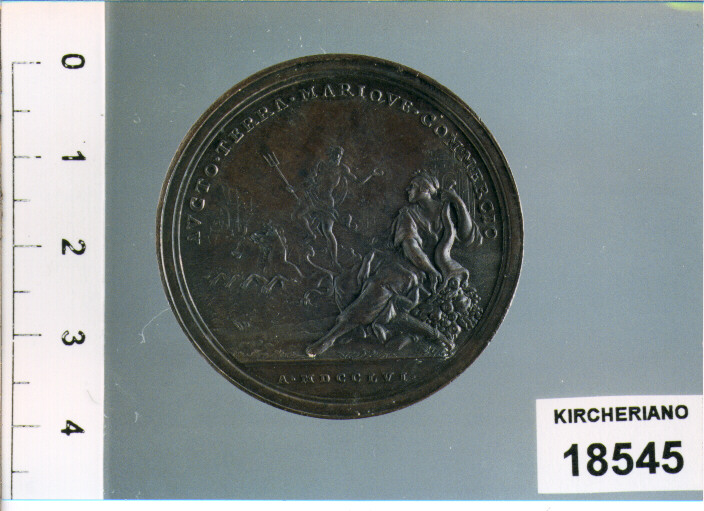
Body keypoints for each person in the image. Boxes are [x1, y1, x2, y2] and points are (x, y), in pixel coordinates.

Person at [305, 170, 482, 357]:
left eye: (413, 186)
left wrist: (458, 202)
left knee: (380, 285)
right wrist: (430, 270)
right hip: (415, 265)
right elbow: (411, 248)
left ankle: (332, 336)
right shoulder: (409, 214)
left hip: (432, 271)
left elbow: (468, 236)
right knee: (359, 282)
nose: (408, 190)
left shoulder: (446, 210)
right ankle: (340, 332)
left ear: (424, 189)